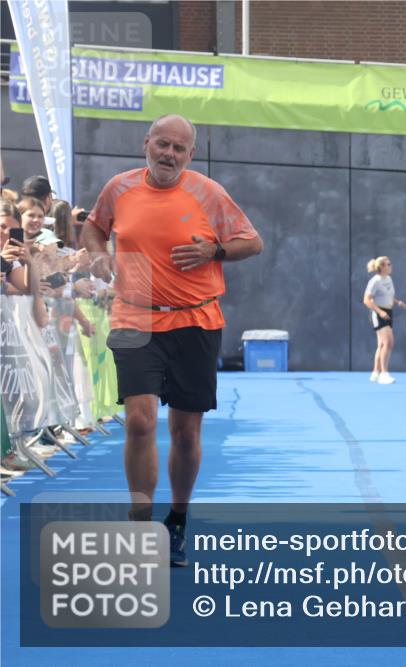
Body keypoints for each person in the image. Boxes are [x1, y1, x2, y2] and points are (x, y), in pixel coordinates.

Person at [80, 114, 263, 567]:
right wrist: (100, 255)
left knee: (185, 433)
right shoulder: (119, 188)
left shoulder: (207, 192)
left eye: (179, 149)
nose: (169, 155)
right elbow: (93, 227)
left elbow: (252, 242)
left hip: (194, 322)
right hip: (134, 316)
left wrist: (214, 250)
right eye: (163, 145)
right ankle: (140, 526)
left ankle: (177, 520)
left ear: (191, 154)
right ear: (146, 143)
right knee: (140, 422)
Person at [363, 256, 406, 384]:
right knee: (388, 342)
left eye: (390, 263)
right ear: (382, 267)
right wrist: (380, 312)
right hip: (378, 313)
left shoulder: (388, 279)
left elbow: (388, 297)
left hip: (388, 312)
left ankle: (375, 372)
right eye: (388, 264)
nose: (391, 266)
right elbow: (367, 300)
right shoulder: (375, 281)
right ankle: (384, 373)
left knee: (382, 344)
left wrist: (400, 303)